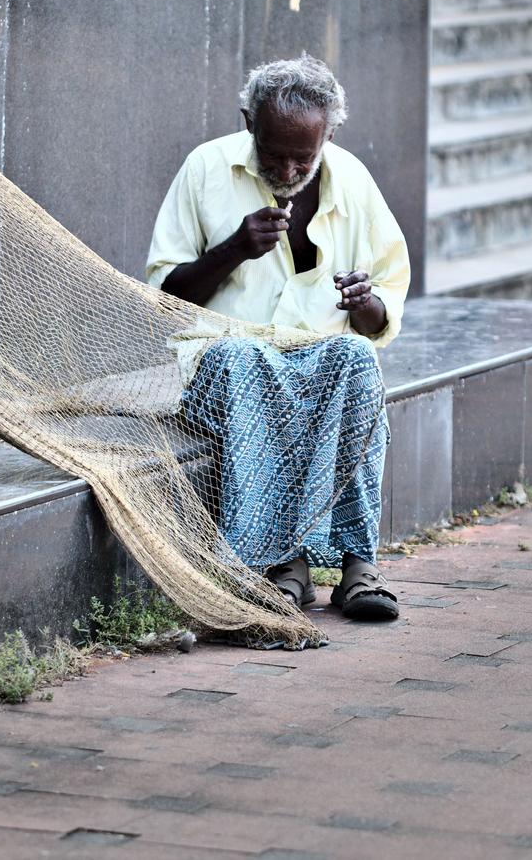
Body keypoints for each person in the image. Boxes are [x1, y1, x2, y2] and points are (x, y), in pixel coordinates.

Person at [146, 56, 411, 621]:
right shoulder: (204, 169)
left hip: (317, 359)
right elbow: (165, 297)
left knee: (356, 358)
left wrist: (366, 302)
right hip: (224, 359)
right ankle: (277, 561)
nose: (289, 169)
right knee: (246, 363)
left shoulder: (354, 181)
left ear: (329, 136)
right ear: (249, 124)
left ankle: (358, 564)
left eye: (304, 157)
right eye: (274, 154)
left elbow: (383, 311)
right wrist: (233, 249)